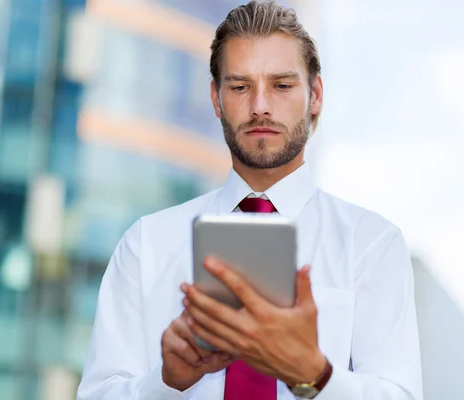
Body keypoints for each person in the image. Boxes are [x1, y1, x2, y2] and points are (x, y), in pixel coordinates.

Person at [76, 1, 423, 399]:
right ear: (216, 98)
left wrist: (314, 374)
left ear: (315, 96)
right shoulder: (146, 245)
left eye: (282, 85)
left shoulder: (372, 245)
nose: (260, 106)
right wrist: (166, 383)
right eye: (240, 86)